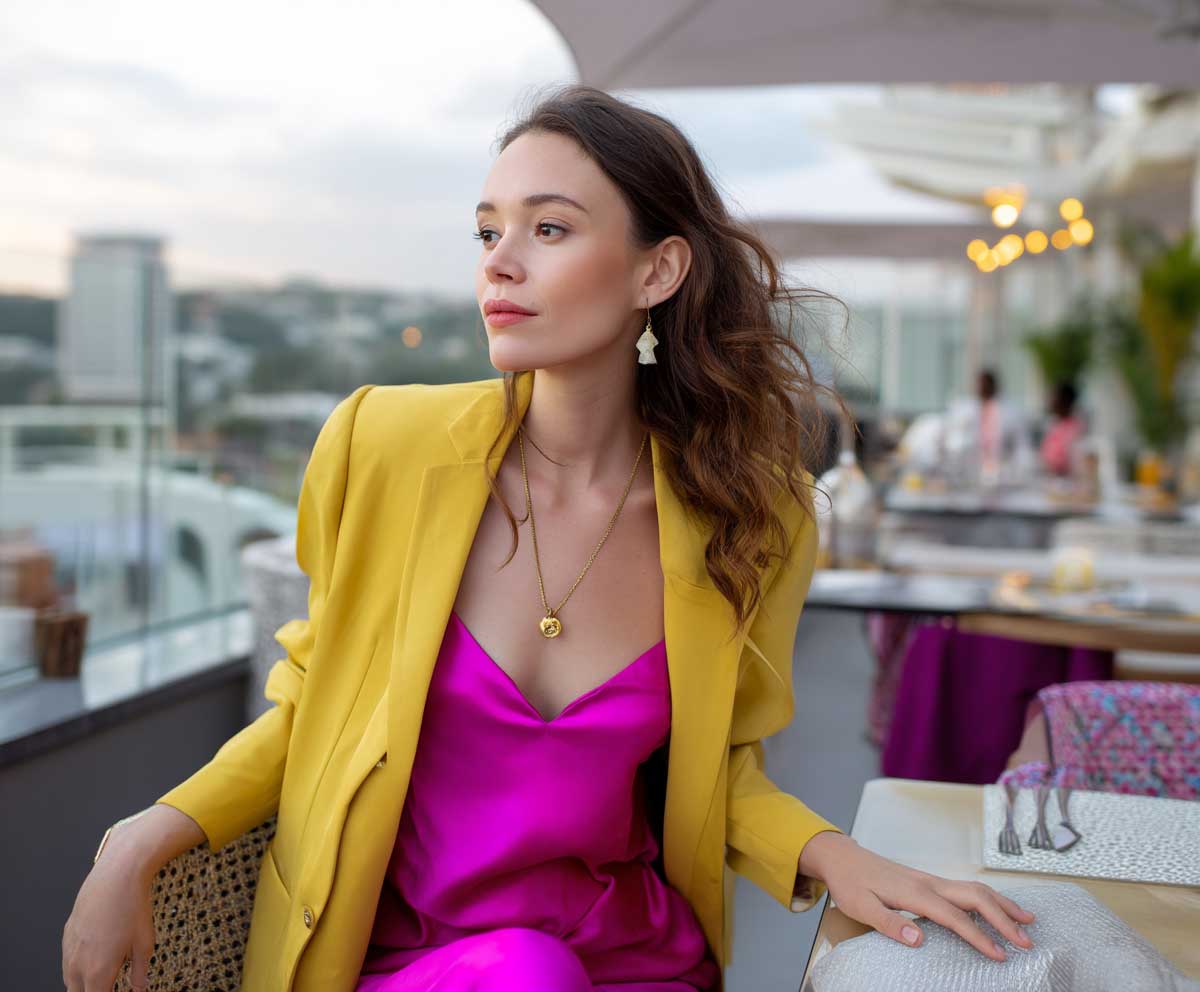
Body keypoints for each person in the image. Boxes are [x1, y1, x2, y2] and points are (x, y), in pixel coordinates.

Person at [62, 84, 1035, 992]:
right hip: (417, 957)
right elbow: (311, 707)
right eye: (488, 229)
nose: (498, 258)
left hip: (636, 956)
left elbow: (721, 769)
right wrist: (139, 836)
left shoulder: (756, 513)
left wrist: (843, 856)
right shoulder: (378, 445)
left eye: (549, 228)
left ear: (657, 269)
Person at [1039, 381, 1085, 477]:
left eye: (1053, 397)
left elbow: (1064, 463)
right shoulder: (1055, 425)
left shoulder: (1075, 428)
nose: (1050, 401)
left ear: (1065, 401)